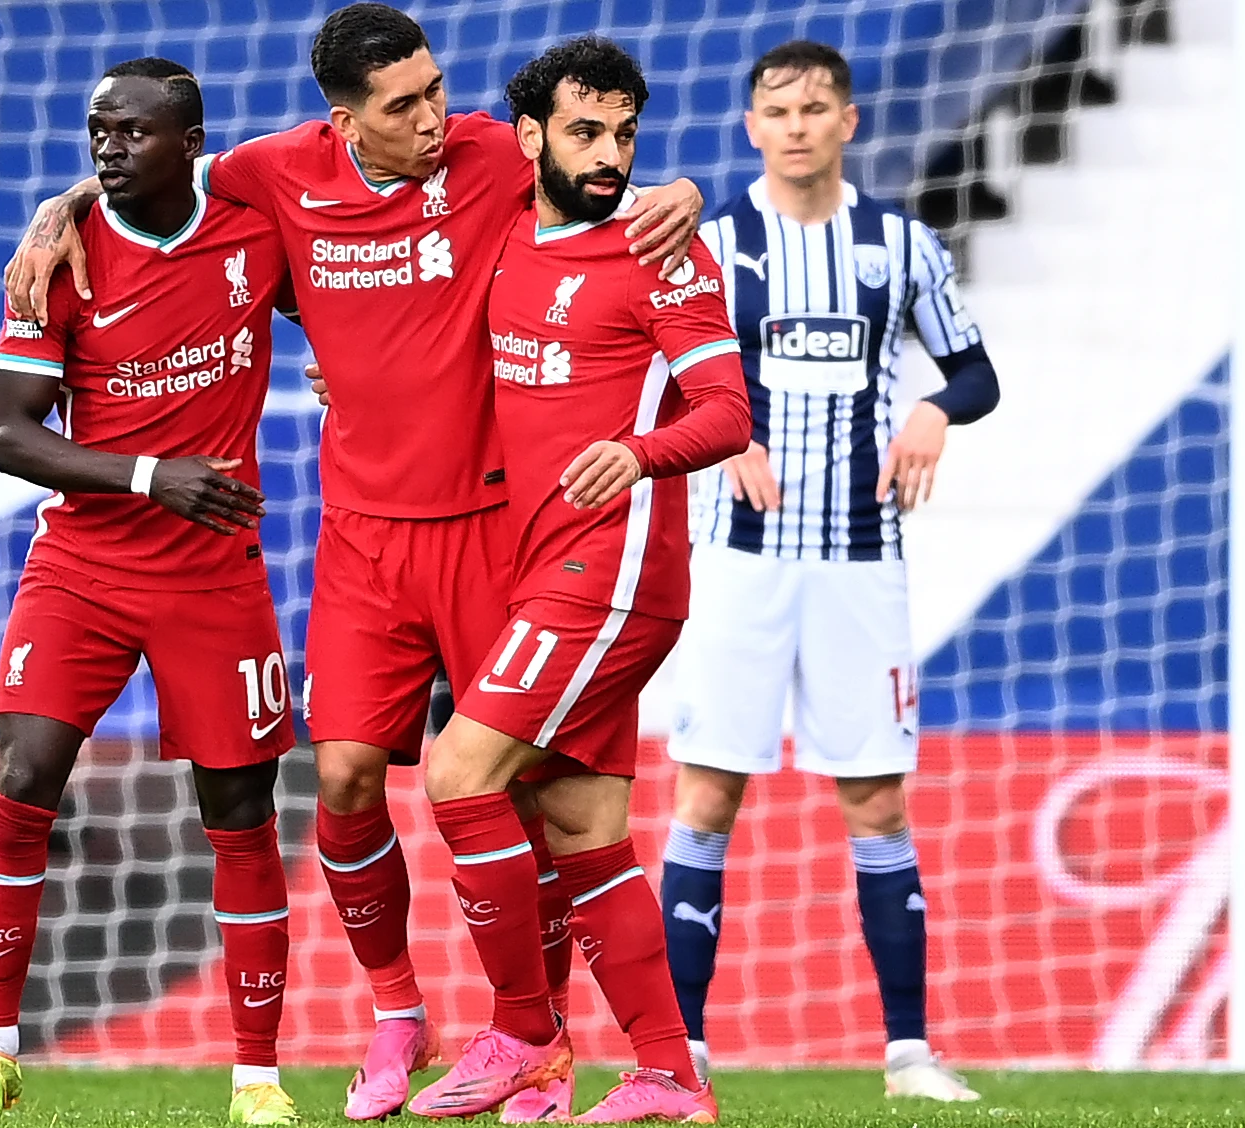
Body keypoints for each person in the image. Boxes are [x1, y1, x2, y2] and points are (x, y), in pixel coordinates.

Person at [4, 7, 705, 1119]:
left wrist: (685, 191)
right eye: (403, 105)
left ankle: (541, 1042)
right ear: (343, 119)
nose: (434, 118)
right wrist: (61, 211)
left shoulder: (488, 148)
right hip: (361, 535)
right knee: (339, 782)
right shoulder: (278, 170)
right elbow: (148, 174)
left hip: (490, 527)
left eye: (435, 90)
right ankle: (396, 1014)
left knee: (529, 800)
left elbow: (598, 168)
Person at [0, 58, 301, 1128]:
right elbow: (9, 437)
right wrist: (150, 476)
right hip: (84, 567)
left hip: (213, 571)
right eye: (97, 131)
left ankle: (255, 1078)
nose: (106, 148)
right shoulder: (60, 257)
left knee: (238, 809)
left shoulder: (252, 230)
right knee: (25, 771)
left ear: (188, 142)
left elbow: (347, 298)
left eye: (131, 132)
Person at [409, 37, 749, 1124]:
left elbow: (727, 414)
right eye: (585, 132)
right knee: (579, 822)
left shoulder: (661, 251)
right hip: (537, 567)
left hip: (609, 574)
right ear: (530, 139)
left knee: (458, 772)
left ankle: (519, 1032)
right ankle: (667, 1074)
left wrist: (637, 453)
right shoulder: (503, 231)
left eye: (626, 136)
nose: (610, 156)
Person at [659, 39, 1001, 1103]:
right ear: (750, 127)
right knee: (705, 793)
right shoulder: (711, 244)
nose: (797, 124)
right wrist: (722, 431)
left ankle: (907, 1054)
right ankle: (684, 1055)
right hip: (735, 562)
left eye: (815, 107)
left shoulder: (898, 246)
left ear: (846, 122)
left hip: (861, 557)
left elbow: (975, 370)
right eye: (777, 109)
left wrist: (934, 411)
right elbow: (649, 374)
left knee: (876, 802)